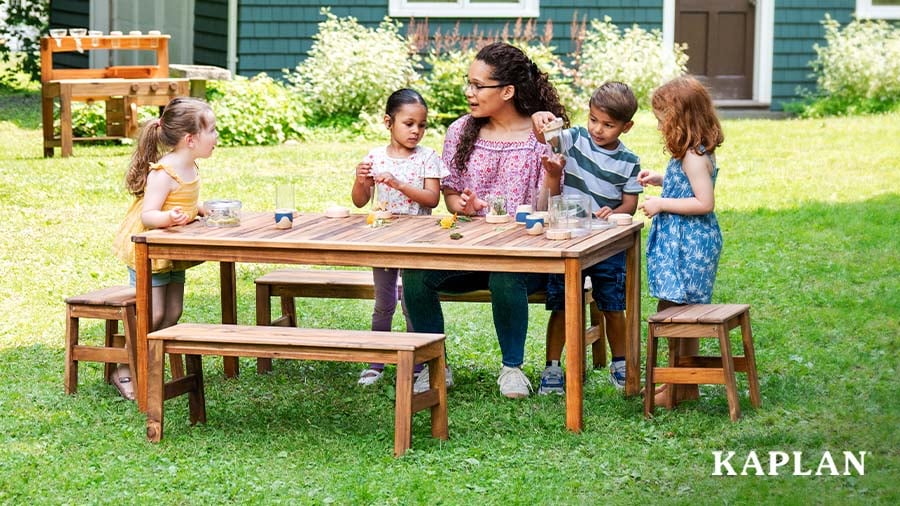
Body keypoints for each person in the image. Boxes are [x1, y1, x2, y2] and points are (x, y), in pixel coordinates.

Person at [402, 42, 568, 399]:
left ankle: (512, 369)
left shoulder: (543, 135)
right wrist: (460, 203)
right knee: (415, 275)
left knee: (505, 274)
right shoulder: (461, 130)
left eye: (479, 86)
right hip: (469, 251)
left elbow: (547, 209)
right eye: (469, 83)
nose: (469, 92)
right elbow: (450, 196)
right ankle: (434, 366)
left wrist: (552, 176)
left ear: (507, 91)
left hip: (523, 255)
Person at [531, 81, 642, 394]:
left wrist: (614, 210)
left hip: (606, 243)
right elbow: (547, 137)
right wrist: (541, 117)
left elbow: (630, 204)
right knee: (563, 305)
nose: (598, 129)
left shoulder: (629, 161)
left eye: (608, 125)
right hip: (569, 237)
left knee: (612, 303)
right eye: (594, 119)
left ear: (626, 126)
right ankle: (553, 367)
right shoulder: (576, 138)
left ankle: (620, 363)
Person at [111, 97, 217, 400]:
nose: (216, 137)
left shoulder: (190, 165)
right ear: (190, 139)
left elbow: (181, 202)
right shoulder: (164, 171)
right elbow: (149, 214)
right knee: (153, 313)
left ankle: (151, 362)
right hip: (149, 252)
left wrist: (198, 209)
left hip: (171, 253)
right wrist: (167, 218)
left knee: (173, 311)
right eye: (212, 130)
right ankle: (125, 367)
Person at [350, 88, 448, 386]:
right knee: (384, 301)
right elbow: (359, 201)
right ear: (388, 122)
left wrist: (398, 183)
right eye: (409, 123)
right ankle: (376, 362)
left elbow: (431, 199)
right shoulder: (376, 157)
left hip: (417, 242)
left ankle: (417, 362)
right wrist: (361, 180)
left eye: (422, 125)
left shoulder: (428, 157)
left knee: (412, 302)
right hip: (383, 240)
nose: (416, 131)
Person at [637, 75, 725, 406]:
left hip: (688, 248)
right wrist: (661, 180)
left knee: (676, 311)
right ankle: (683, 384)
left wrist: (661, 204)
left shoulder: (693, 156)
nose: (659, 125)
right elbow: (687, 185)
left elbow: (704, 202)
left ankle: (677, 385)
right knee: (683, 311)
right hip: (684, 243)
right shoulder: (690, 153)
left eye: (663, 118)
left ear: (681, 118)